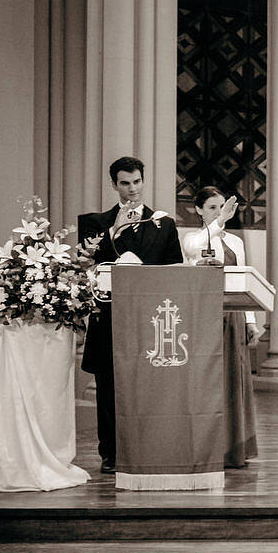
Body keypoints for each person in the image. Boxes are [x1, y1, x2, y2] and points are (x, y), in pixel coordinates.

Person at [78, 155, 183, 474]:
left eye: (137, 182)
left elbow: (175, 269)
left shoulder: (163, 224)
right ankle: (110, 452)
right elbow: (87, 268)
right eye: (125, 183)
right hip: (108, 321)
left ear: (143, 181)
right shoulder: (95, 223)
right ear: (114, 185)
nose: (132, 189)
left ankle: (147, 447)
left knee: (149, 389)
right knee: (108, 389)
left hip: (149, 321)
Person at [182, 186, 262, 467]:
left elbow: (244, 280)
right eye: (212, 207)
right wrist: (217, 223)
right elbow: (193, 252)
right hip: (206, 316)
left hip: (234, 316)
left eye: (222, 207)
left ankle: (235, 447)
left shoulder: (237, 243)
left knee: (235, 379)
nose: (219, 212)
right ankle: (209, 447)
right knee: (210, 379)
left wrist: (251, 319)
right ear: (199, 210)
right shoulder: (194, 238)